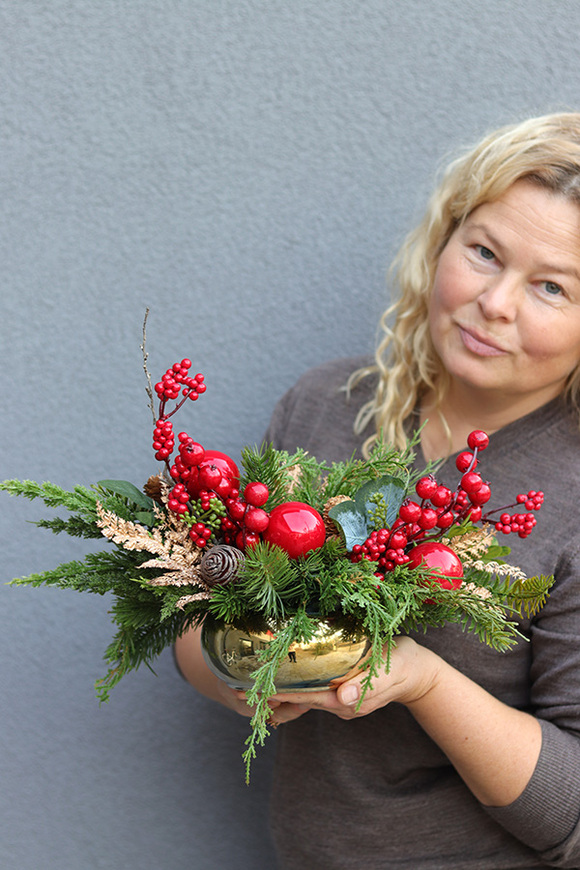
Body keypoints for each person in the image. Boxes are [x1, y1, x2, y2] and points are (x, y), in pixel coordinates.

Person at [175, 112, 580, 868]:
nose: (497, 302)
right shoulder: (327, 406)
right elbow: (198, 615)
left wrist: (421, 681)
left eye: (552, 287)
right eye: (484, 252)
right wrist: (241, 672)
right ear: (442, 242)